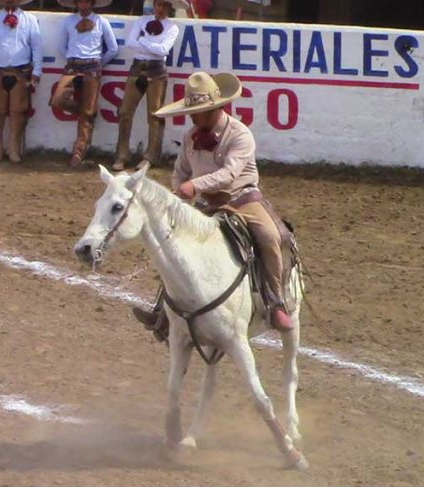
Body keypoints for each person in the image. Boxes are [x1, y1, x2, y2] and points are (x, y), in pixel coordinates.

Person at [135, 72, 295, 333]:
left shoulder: (240, 134)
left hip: (243, 199)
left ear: (214, 109)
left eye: (197, 111)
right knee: (175, 242)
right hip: (208, 204)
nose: (192, 117)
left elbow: (230, 174)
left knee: (268, 236)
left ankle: (275, 302)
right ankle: (163, 309)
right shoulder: (190, 137)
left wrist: (194, 186)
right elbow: (180, 171)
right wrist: (179, 191)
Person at [112, 0, 184, 171]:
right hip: (138, 68)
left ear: (169, 8)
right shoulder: (141, 21)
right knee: (125, 111)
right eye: (159, 5)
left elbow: (163, 50)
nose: (161, 9)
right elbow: (130, 42)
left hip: (156, 70)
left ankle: (151, 155)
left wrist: (143, 42)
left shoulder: (172, 27)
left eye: (165, 6)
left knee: (155, 114)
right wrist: (152, 47)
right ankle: (122, 153)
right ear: (154, 5)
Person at [0, 0, 44, 163]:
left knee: (18, 112)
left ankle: (14, 149)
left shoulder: (30, 19)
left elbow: (37, 47)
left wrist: (37, 71)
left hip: (20, 72)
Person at [53, 0, 118, 167]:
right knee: (58, 99)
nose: (83, 3)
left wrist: (98, 63)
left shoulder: (101, 22)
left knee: (87, 112)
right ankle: (86, 113)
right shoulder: (68, 21)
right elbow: (61, 46)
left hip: (92, 66)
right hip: (73, 66)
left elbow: (113, 48)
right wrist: (71, 57)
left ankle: (79, 151)